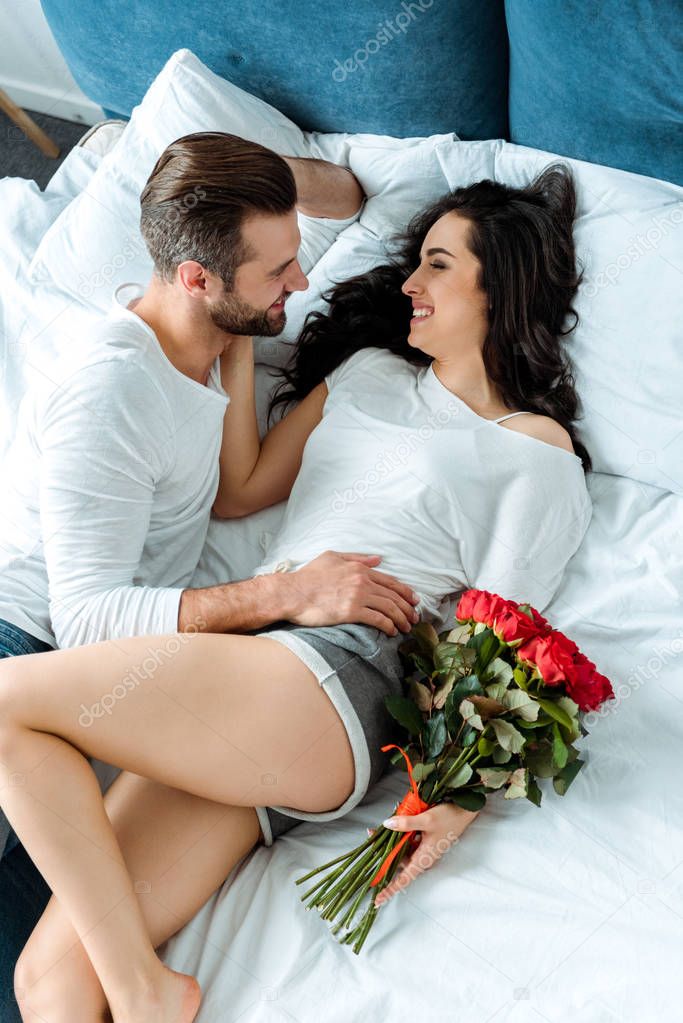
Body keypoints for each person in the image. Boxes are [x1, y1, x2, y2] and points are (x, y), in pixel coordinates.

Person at [0, 163, 592, 1023]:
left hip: (340, 675)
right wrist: (235, 334)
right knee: (48, 981)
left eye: (436, 264)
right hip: (250, 689)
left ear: (498, 288)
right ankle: (143, 994)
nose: (408, 281)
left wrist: (452, 804)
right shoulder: (363, 376)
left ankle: (146, 992)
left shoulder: (533, 449)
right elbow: (241, 487)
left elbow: (502, 638)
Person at [0, 132, 420, 1023]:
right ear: (196, 277)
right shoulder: (112, 389)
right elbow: (85, 619)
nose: (300, 283)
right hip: (33, 644)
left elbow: (231, 493)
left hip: (98, 697)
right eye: (277, 271)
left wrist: (257, 180)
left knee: (48, 982)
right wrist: (285, 594)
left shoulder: (217, 334)